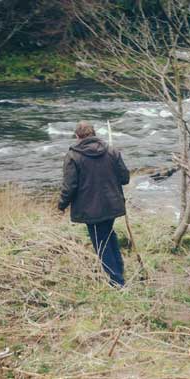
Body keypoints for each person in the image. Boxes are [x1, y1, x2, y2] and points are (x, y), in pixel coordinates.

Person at [58, 121, 130, 286]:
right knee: (109, 236)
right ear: (94, 134)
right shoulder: (112, 151)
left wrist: (61, 205)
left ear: (77, 137)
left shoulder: (73, 156)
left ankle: (117, 282)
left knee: (102, 243)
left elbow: (69, 187)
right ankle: (119, 272)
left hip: (90, 210)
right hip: (112, 204)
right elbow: (125, 178)